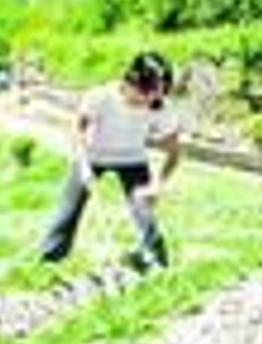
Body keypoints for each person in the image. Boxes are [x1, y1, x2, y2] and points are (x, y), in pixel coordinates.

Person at [39, 51, 182, 272]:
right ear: (131, 81)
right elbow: (77, 126)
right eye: (147, 92)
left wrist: (158, 185)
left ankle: (156, 261)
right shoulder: (101, 97)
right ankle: (50, 259)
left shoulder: (161, 109)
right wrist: (83, 163)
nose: (151, 99)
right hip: (93, 157)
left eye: (159, 93)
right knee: (68, 210)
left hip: (133, 159)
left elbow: (174, 151)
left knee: (143, 209)